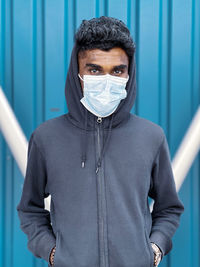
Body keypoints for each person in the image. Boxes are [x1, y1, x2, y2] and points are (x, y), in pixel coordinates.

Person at [16, 16, 184, 267]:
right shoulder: (46, 138)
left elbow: (169, 208)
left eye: (117, 70)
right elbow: (30, 210)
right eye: (94, 70)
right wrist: (53, 253)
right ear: (78, 73)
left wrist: (154, 249)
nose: (107, 79)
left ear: (129, 72)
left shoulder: (151, 137)